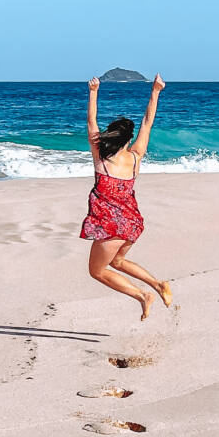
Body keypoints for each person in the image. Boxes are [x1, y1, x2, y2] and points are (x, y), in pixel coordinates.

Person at [80, 75, 173, 320]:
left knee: (97, 271)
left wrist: (93, 91)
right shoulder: (135, 157)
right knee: (118, 262)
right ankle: (158, 284)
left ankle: (143, 296)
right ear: (128, 140)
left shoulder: (101, 156)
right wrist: (155, 91)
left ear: (110, 136)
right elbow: (147, 123)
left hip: (112, 226)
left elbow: (91, 120)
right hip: (132, 224)